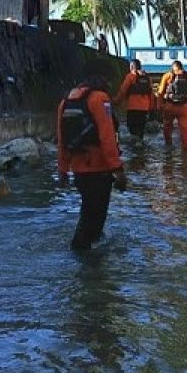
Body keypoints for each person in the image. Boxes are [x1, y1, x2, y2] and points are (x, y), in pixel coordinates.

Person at [57, 76, 125, 250]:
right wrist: (117, 169)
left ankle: (89, 254)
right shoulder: (100, 99)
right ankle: (85, 262)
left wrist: (63, 170)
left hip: (79, 169)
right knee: (95, 216)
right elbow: (107, 136)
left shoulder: (65, 102)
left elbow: (61, 139)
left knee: (88, 211)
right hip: (99, 168)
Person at [157, 61, 187, 150]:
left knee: (167, 127)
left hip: (169, 106)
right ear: (182, 67)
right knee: (185, 130)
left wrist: (159, 106)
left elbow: (160, 92)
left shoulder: (167, 76)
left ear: (172, 68)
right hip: (184, 107)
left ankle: (168, 146)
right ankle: (186, 152)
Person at [114, 59, 155, 140]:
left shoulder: (130, 76)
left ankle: (134, 148)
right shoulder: (147, 77)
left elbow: (123, 90)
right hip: (144, 108)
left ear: (132, 66)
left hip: (132, 108)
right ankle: (140, 145)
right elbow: (151, 94)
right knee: (141, 129)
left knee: (132, 129)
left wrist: (116, 101)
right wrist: (152, 108)